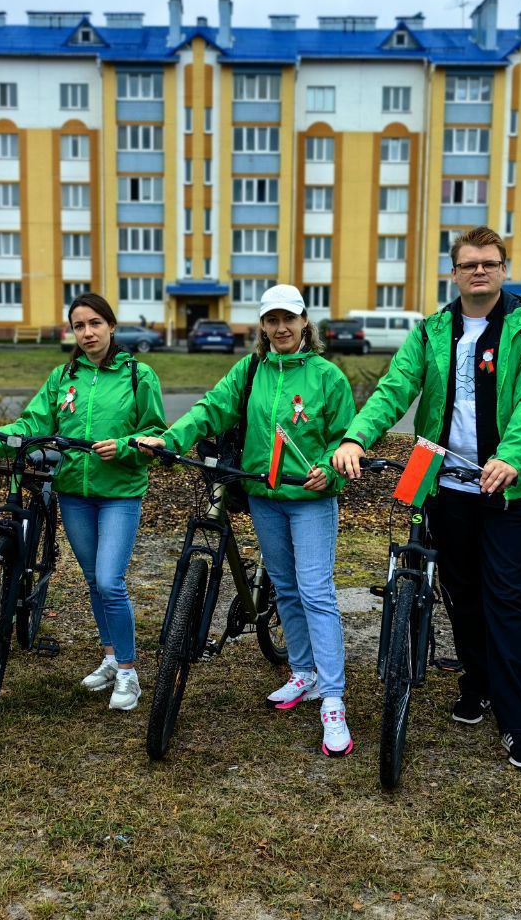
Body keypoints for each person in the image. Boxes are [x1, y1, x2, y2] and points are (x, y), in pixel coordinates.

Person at [332, 225, 521, 770]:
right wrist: (357, 437)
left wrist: (511, 455)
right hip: (446, 485)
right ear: (454, 273)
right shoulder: (432, 331)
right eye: (469, 264)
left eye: (489, 263)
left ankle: (517, 721)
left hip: (508, 488)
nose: (479, 271)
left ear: (503, 270)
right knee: (462, 593)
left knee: (505, 599)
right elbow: (394, 389)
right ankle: (476, 684)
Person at [138, 286, 358, 756]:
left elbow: (345, 438)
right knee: (286, 588)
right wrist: (170, 439)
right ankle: (304, 673)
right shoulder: (251, 369)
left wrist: (330, 469)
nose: (281, 328)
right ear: (262, 325)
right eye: (271, 320)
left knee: (316, 591)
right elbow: (212, 408)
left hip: (311, 499)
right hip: (263, 496)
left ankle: (333, 699)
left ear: (305, 322)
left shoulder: (327, 376)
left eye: (289, 319)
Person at [0, 293, 165, 711]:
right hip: (74, 494)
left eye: (95, 323)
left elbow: (155, 433)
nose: (87, 333)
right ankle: (111, 657)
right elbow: (33, 422)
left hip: (120, 494)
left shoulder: (139, 375)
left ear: (111, 326)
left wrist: (126, 445)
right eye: (79, 326)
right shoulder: (63, 377)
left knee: (110, 581)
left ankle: (129, 672)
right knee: (94, 579)